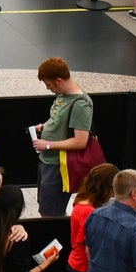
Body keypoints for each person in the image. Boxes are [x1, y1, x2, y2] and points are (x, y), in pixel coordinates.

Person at [31, 57, 95, 218]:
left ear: (58, 81)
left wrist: (48, 145)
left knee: (50, 213)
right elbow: (57, 117)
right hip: (47, 162)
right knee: (44, 205)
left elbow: (80, 141)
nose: (48, 89)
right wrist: (45, 126)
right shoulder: (63, 95)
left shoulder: (81, 104)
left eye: (49, 85)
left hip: (59, 166)